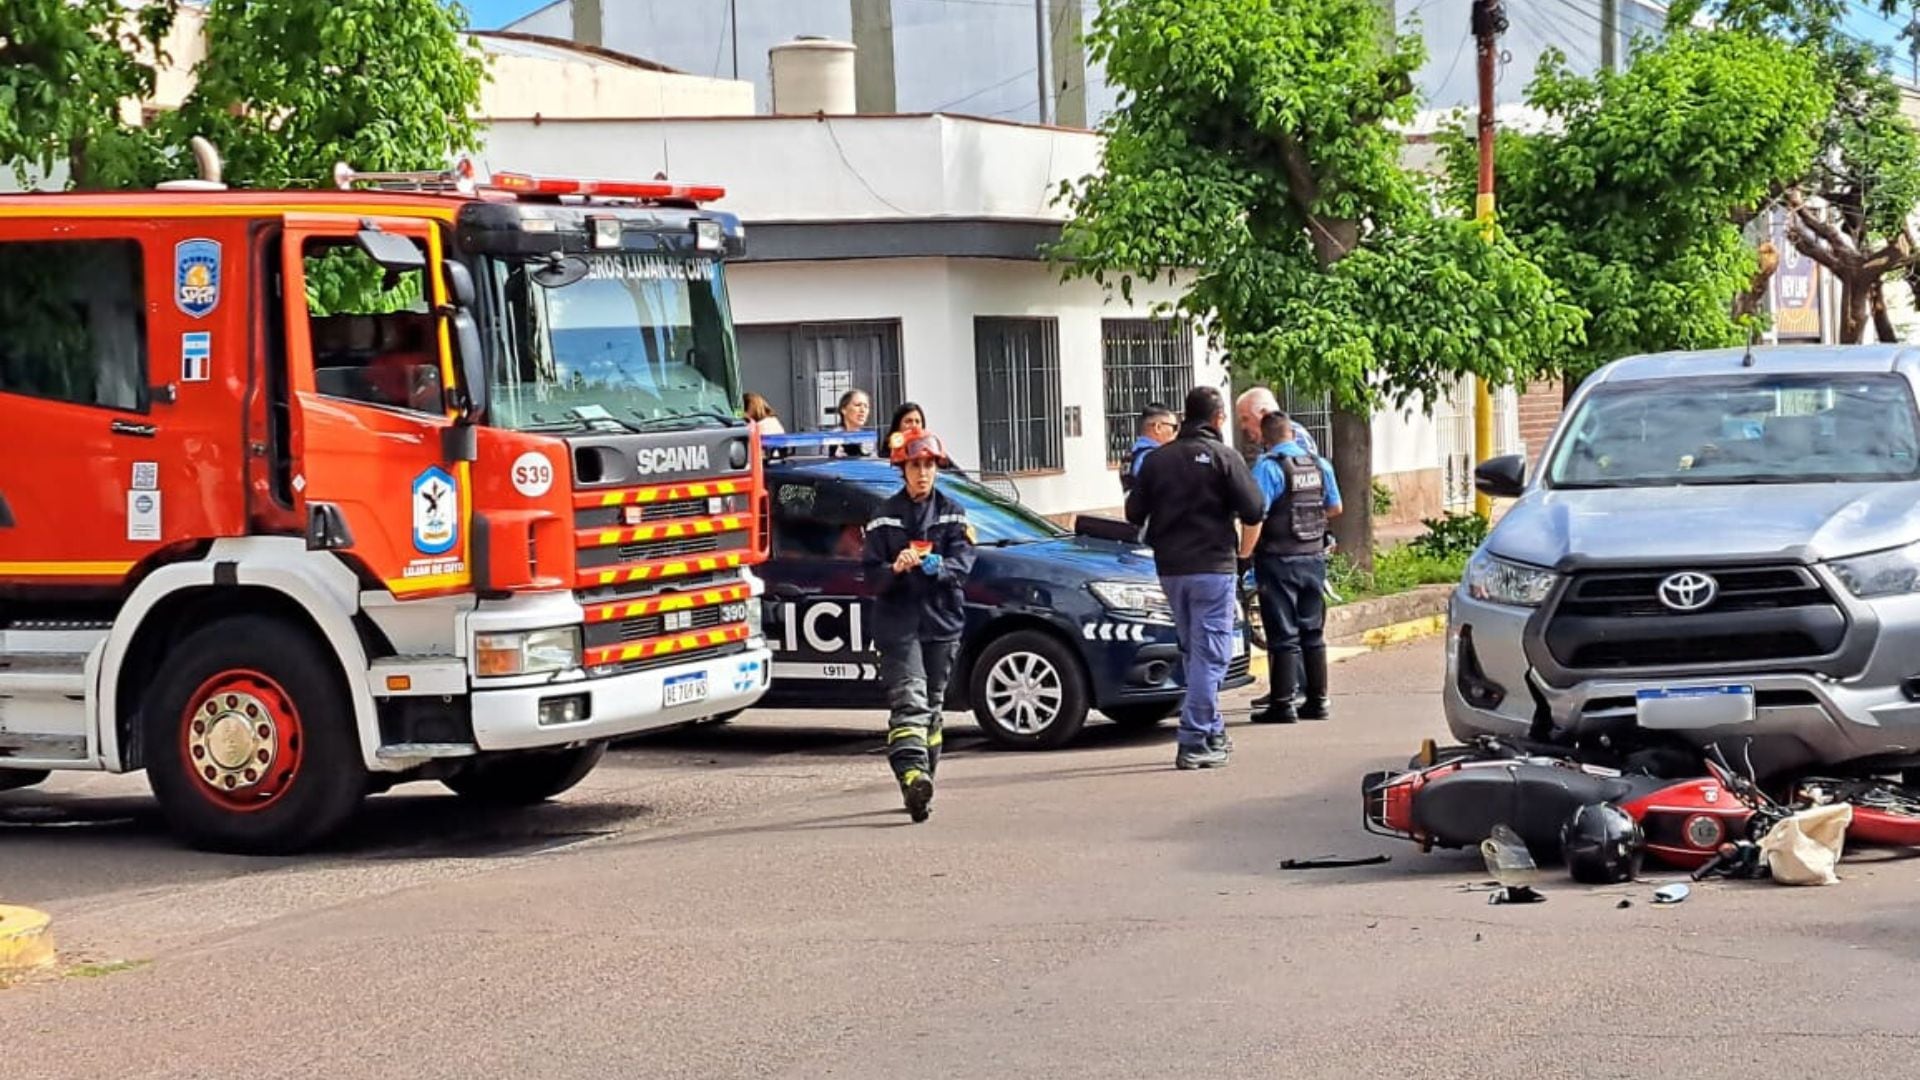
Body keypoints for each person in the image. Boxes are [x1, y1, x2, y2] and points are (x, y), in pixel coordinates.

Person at [1126, 386, 1265, 770]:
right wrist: (1243, 556)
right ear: (1218, 418)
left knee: (1193, 650)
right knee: (1212, 653)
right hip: (1212, 567)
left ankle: (1213, 727)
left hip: (1171, 569)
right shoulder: (1224, 457)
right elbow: (1255, 508)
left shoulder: (1157, 460)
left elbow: (1134, 513)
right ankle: (1194, 738)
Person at [861, 429, 976, 821]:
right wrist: (894, 568)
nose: (923, 472)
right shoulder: (883, 518)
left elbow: (964, 563)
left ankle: (923, 785)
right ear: (903, 469)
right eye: (915, 465)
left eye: (929, 465)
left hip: (941, 622)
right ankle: (912, 775)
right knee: (911, 702)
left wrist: (939, 566)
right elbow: (869, 575)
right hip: (898, 623)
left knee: (933, 708)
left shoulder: (954, 512)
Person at [1244, 411, 1342, 724]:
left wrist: (1244, 553)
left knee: (1282, 632)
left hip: (1278, 558)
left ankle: (1283, 704)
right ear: (1292, 434)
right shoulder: (1318, 464)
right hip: (1313, 557)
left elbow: (1256, 512)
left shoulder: (1268, 467)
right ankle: (1318, 701)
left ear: (1265, 436)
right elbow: (1335, 506)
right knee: (1312, 630)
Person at [1234, 386, 1318, 460]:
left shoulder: (1295, 437)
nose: (1243, 426)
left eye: (1245, 419)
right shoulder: (1265, 442)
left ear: (1264, 414)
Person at [1121, 402, 1177, 495]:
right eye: (1174, 427)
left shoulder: (1131, 454)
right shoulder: (1154, 458)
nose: (1176, 433)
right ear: (1158, 427)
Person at [830, 387, 873, 457]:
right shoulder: (832, 437)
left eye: (866, 406)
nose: (863, 410)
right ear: (844, 409)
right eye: (857, 405)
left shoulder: (867, 439)